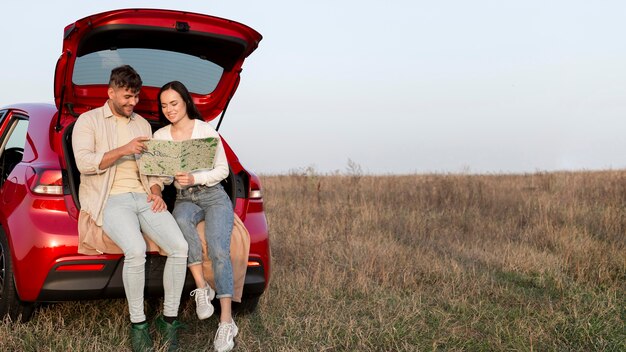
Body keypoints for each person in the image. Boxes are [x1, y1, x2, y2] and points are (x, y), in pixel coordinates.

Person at [72, 65, 189, 352]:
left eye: (135, 97)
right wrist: (124, 149)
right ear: (110, 92)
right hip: (110, 199)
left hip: (143, 197)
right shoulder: (88, 121)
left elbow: (151, 170)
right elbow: (84, 163)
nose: (132, 103)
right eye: (126, 97)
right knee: (135, 249)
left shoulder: (143, 125)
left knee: (179, 247)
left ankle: (169, 320)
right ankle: (138, 324)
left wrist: (155, 190)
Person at [152, 81, 237, 352]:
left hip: (212, 194)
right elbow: (163, 178)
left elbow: (223, 170)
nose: (169, 110)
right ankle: (202, 288)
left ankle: (226, 321)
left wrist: (195, 176)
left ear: (186, 102)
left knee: (218, 247)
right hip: (184, 197)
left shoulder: (204, 130)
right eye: (164, 105)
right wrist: (164, 176)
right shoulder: (161, 136)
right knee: (179, 221)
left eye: (174, 103)